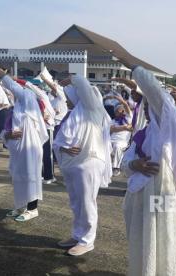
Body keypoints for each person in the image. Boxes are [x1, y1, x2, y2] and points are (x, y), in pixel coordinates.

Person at [121, 66, 176, 276]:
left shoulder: (168, 129)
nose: (145, 109)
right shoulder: (144, 133)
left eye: (148, 105)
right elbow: (126, 160)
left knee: (167, 239)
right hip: (142, 197)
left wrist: (132, 65)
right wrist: (135, 165)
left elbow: (158, 96)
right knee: (144, 240)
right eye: (144, 106)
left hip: (164, 193)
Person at [53, 74, 112, 256]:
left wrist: (73, 78)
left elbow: (85, 86)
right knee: (76, 203)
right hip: (73, 165)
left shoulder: (92, 109)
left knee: (87, 203)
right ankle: (78, 235)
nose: (67, 101)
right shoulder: (75, 115)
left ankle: (87, 241)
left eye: (70, 96)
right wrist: (64, 147)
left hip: (89, 163)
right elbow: (60, 141)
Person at [0, 67, 49, 222]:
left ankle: (32, 209)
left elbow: (19, 90)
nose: (13, 94)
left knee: (31, 177)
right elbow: (4, 132)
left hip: (29, 151)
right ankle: (20, 206)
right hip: (17, 152)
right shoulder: (14, 111)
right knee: (18, 178)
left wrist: (4, 77)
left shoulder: (29, 108)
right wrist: (8, 135)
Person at [107, 95, 133, 176]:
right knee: (105, 145)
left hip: (122, 141)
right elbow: (111, 130)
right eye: (118, 111)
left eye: (122, 110)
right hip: (111, 140)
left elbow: (126, 106)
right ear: (115, 113)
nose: (120, 112)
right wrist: (124, 127)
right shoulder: (112, 121)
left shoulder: (128, 118)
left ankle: (116, 168)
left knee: (117, 146)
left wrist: (120, 100)